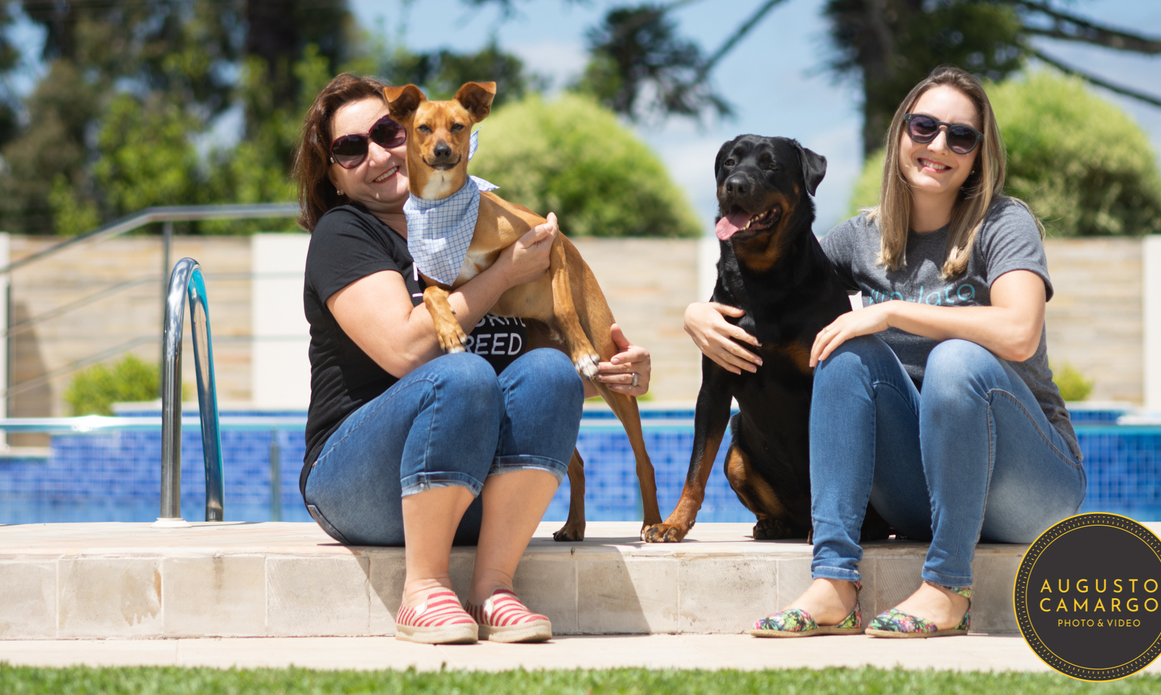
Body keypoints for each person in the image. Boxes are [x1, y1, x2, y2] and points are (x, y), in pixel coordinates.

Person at [684, 65, 1086, 638]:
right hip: (921, 492)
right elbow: (781, 283)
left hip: (1030, 490)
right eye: (924, 127)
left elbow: (1020, 331)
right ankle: (833, 584)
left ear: (978, 154)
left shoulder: (1004, 222)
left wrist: (892, 311)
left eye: (961, 136)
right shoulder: (862, 236)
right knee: (842, 348)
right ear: (900, 134)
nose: (938, 145)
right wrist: (697, 313)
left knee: (954, 359)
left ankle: (948, 590)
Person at [292, 72, 652, 645]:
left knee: (552, 373)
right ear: (332, 174)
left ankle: (494, 588)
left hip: (471, 486)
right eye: (350, 148)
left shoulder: (477, 226)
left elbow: (529, 389)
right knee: (460, 373)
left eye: (386, 133)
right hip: (358, 485)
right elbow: (409, 350)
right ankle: (423, 591)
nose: (378, 155)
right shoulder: (346, 233)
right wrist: (505, 274)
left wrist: (612, 375)